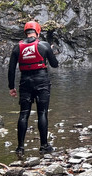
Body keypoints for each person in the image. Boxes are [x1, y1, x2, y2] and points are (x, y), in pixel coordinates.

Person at [8, 20, 59, 158]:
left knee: (23, 113)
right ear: (38, 31)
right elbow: (55, 65)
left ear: (25, 32)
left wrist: (11, 87)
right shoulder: (44, 45)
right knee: (42, 113)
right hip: (42, 81)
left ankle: (20, 148)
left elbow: (11, 69)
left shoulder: (17, 47)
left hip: (25, 83)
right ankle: (44, 146)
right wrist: (51, 52)